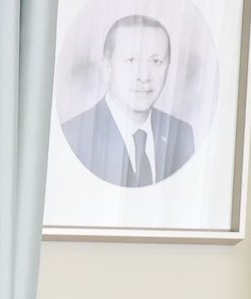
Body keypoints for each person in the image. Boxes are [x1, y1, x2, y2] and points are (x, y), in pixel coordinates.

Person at [62, 13, 198, 187]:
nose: (144, 76)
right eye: (131, 60)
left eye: (156, 61)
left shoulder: (181, 134)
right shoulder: (76, 135)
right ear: (107, 68)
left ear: (168, 68)